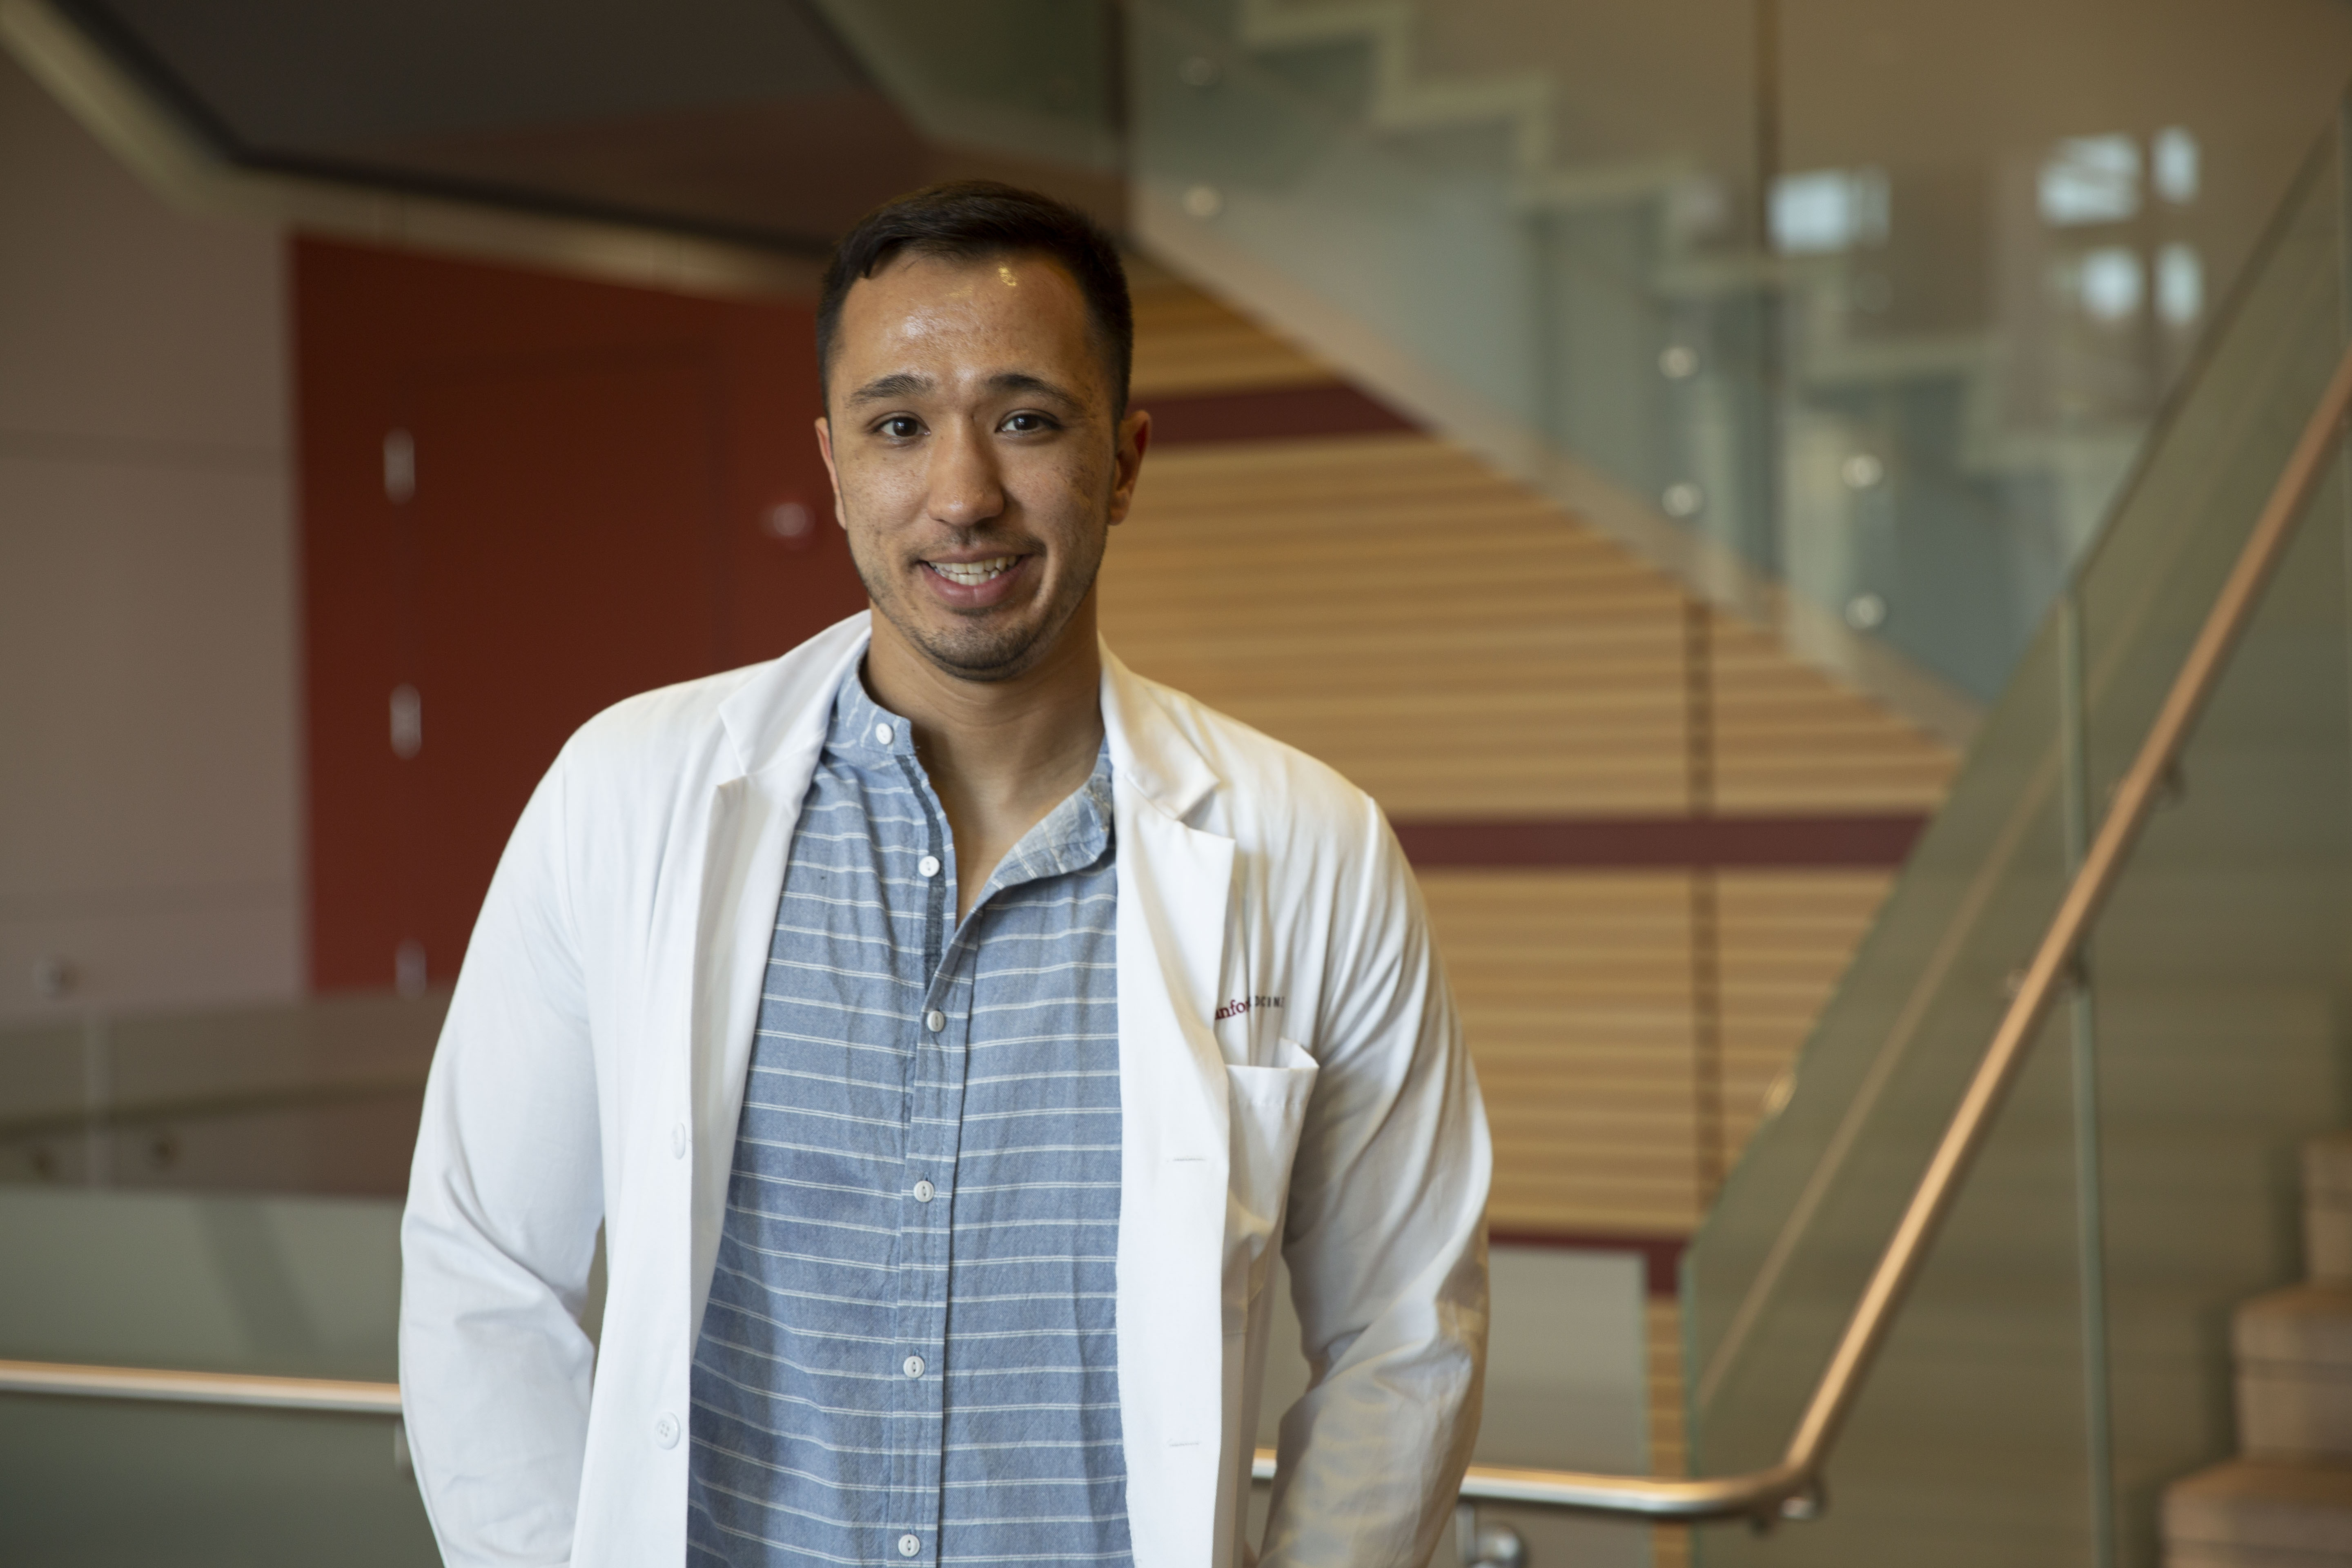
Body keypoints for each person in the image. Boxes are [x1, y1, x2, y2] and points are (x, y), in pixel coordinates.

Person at [399, 180, 1490, 1568]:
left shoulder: (1311, 849)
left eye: (1026, 420)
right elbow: (484, 1272)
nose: (963, 497)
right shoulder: (625, 795)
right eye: (899, 426)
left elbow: (1404, 1334)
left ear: (1127, 461)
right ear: (834, 464)